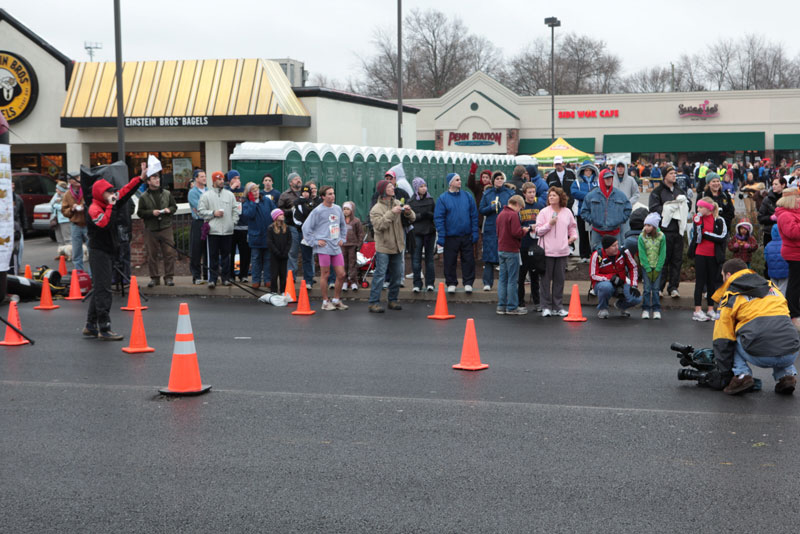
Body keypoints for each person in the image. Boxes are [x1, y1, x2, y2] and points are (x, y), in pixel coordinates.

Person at [709, 258, 799, 395]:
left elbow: (722, 338)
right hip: (791, 352)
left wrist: (725, 372)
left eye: (722, 276)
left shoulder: (731, 295)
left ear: (728, 275)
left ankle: (741, 376)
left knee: (731, 335)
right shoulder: (772, 287)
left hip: (760, 352)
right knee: (780, 330)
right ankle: (787, 375)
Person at [82, 162, 145, 340]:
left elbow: (124, 192)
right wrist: (111, 206)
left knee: (100, 288)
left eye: (111, 191)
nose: (112, 194)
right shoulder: (94, 208)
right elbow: (104, 224)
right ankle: (104, 328)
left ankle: (90, 325)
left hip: (108, 249)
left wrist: (140, 178)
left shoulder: (107, 201)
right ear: (99, 194)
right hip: (99, 251)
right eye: (108, 192)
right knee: (104, 290)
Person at [368, 180, 415, 312]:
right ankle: (373, 302)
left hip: (398, 245)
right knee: (380, 275)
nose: (393, 188)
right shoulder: (376, 209)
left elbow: (412, 218)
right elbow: (379, 226)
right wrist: (392, 213)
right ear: (383, 191)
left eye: (392, 186)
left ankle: (392, 300)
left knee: (397, 274)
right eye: (389, 187)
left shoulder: (397, 203)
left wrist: (408, 212)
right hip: (383, 247)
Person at [302, 185, 349, 311]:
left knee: (341, 274)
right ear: (323, 196)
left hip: (336, 246)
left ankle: (336, 299)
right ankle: (325, 301)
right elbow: (306, 228)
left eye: (333, 193)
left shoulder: (338, 209)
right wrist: (315, 241)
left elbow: (343, 226)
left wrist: (342, 239)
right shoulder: (317, 211)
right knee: (326, 274)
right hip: (324, 247)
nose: (332, 196)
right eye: (329, 194)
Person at [536, 187, 578, 317]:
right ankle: (546, 307)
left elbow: (572, 227)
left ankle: (558, 307)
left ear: (560, 197)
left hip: (562, 251)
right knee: (545, 281)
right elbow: (538, 231)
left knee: (559, 280)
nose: (551, 197)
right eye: (550, 196)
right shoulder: (543, 212)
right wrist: (550, 224)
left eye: (554, 195)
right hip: (547, 252)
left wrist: (572, 237)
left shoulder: (567, 212)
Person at [649, 165, 690, 298]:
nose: (674, 175)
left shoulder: (679, 190)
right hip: (664, 230)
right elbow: (654, 208)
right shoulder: (658, 191)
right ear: (665, 175)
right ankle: (659, 287)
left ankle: (673, 287)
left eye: (675, 173)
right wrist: (670, 208)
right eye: (671, 173)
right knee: (663, 260)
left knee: (676, 260)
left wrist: (683, 205)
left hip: (678, 231)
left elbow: (686, 205)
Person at [434, 173, 479, 294]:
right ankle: (451, 283)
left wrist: (475, 232)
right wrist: (442, 237)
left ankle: (468, 283)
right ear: (451, 183)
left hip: (466, 235)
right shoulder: (443, 198)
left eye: (459, 179)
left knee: (468, 260)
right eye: (457, 180)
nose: (460, 181)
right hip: (450, 236)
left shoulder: (467, 196)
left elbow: (474, 216)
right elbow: (439, 218)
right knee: (450, 261)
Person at [136, 168, 178, 287]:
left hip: (166, 227)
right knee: (152, 254)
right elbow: (140, 212)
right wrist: (151, 213)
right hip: (151, 229)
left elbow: (174, 207)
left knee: (169, 253)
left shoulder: (167, 193)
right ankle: (154, 278)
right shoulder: (144, 197)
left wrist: (169, 210)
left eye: (158, 178)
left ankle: (169, 277)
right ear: (148, 181)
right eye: (154, 178)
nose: (157, 180)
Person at [198, 171, 238, 289]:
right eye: (219, 179)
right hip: (213, 231)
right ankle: (213, 279)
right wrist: (213, 213)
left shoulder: (229, 195)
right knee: (213, 256)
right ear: (214, 181)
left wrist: (233, 222)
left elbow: (235, 210)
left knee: (227, 256)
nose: (222, 182)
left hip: (227, 230)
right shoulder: (206, 196)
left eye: (222, 179)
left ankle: (226, 278)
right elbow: (200, 211)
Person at [690, 198, 727, 322]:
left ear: (708, 208)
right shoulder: (699, 220)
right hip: (700, 253)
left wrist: (707, 234)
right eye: (698, 207)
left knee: (712, 282)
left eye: (700, 207)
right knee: (700, 282)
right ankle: (697, 310)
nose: (698, 210)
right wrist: (699, 226)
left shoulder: (719, 220)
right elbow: (698, 238)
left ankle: (711, 309)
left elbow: (722, 236)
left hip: (713, 255)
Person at [478, 171, 515, 291]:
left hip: (506, 229)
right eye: (497, 178)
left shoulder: (510, 193)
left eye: (501, 178)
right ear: (493, 181)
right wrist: (491, 208)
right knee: (489, 256)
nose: (499, 180)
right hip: (491, 228)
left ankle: (506, 283)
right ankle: (487, 283)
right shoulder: (487, 193)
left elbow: (515, 209)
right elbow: (482, 209)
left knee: (506, 256)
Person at [580, 168, 632, 252]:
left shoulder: (620, 195)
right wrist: (593, 219)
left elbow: (628, 209)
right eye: (606, 178)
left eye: (610, 178)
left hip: (615, 232)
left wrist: (619, 220)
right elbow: (584, 211)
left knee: (615, 255)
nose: (609, 180)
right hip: (597, 232)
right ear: (601, 179)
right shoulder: (591, 195)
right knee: (597, 255)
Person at [590, 235, 641, 318]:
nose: (617, 247)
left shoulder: (624, 252)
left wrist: (634, 285)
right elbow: (593, 275)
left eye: (617, 244)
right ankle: (603, 309)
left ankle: (621, 306)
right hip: (603, 284)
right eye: (614, 246)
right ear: (606, 248)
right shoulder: (597, 255)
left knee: (637, 298)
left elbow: (633, 267)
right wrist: (611, 277)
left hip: (622, 283)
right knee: (606, 287)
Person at [495, 195, 529, 315]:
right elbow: (516, 232)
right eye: (520, 208)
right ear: (517, 205)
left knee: (503, 279)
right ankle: (512, 307)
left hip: (501, 249)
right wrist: (524, 231)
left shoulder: (501, 214)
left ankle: (501, 305)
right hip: (512, 250)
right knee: (512, 280)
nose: (520, 211)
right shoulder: (513, 215)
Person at [241, 182, 277, 289]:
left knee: (267, 259)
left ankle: (268, 280)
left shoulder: (266, 200)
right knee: (256, 259)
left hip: (268, 235)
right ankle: (256, 280)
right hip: (255, 236)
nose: (256, 192)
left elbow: (274, 211)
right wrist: (253, 202)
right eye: (253, 191)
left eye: (256, 190)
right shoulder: (246, 204)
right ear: (248, 193)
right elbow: (249, 215)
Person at [517, 182, 546, 312]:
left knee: (535, 276)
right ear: (524, 194)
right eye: (529, 192)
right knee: (521, 276)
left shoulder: (540, 206)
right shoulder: (521, 207)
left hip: (536, 247)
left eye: (533, 192)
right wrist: (527, 228)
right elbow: (516, 226)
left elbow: (545, 223)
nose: (531, 195)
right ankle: (520, 302)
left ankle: (537, 302)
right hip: (523, 245)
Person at [775, 188, 800, 329]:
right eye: (797, 198)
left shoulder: (794, 213)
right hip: (794, 253)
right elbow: (793, 232)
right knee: (794, 285)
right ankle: (793, 315)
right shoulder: (785, 215)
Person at [408, 178, 436, 292]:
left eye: (425, 185)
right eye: (421, 186)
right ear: (416, 188)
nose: (424, 188)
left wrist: (430, 215)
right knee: (416, 259)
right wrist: (421, 215)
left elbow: (436, 215)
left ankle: (430, 283)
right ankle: (417, 284)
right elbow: (409, 218)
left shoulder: (431, 200)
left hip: (429, 232)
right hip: (417, 233)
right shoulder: (411, 202)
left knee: (429, 259)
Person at [638, 212, 666, 320]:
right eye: (645, 225)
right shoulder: (642, 237)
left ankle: (656, 309)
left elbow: (662, 253)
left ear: (654, 226)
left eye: (649, 225)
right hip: (647, 267)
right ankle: (645, 309)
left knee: (655, 289)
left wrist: (658, 268)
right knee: (646, 289)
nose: (646, 227)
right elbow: (642, 253)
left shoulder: (661, 236)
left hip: (657, 267)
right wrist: (648, 268)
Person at [61, 173, 89, 274]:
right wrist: (72, 209)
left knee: (91, 249)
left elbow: (92, 205)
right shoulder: (67, 194)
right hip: (75, 225)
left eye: (79, 177)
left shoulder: (86, 191)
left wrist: (84, 207)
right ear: (70, 181)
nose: (79, 179)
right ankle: (79, 272)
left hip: (87, 224)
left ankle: (91, 274)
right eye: (76, 178)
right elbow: (64, 211)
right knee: (77, 251)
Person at [570, 161, 598, 262]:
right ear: (583, 171)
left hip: (594, 212)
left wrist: (585, 195)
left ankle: (593, 255)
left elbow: (599, 193)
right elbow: (574, 192)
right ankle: (584, 255)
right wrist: (588, 195)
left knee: (594, 234)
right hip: (581, 212)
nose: (588, 172)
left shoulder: (597, 182)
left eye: (590, 170)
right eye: (586, 170)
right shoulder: (577, 182)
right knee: (582, 234)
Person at [292, 183, 319, 289]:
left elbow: (315, 216)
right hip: (301, 232)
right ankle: (307, 280)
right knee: (306, 257)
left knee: (312, 256)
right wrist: (305, 228)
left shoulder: (312, 203)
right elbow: (296, 219)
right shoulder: (297, 203)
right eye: (304, 191)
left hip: (312, 232)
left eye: (307, 192)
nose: (306, 194)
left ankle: (310, 279)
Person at [226, 171, 250, 283]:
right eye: (234, 178)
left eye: (238, 178)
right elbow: (223, 201)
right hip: (231, 227)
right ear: (230, 180)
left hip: (244, 226)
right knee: (230, 252)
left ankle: (243, 275)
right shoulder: (226, 190)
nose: (237, 180)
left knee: (245, 252)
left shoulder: (244, 190)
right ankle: (230, 275)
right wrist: (232, 188)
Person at [278, 172, 304, 275]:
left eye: (299, 178)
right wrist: (291, 211)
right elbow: (279, 211)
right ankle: (291, 276)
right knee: (292, 251)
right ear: (290, 182)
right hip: (292, 226)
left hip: (305, 227)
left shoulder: (305, 193)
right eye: (296, 179)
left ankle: (308, 278)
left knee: (308, 253)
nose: (299, 180)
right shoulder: (285, 195)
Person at [187, 169, 208, 284]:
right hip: (198, 222)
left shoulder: (209, 190)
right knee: (196, 249)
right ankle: (196, 275)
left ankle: (207, 274)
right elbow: (198, 207)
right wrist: (206, 209)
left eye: (205, 176)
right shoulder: (193, 192)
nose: (204, 178)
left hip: (208, 222)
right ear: (196, 178)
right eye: (201, 176)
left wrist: (205, 209)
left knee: (208, 249)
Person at [612, 161, 641, 237]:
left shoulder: (631, 180)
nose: (620, 169)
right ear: (616, 168)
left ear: (625, 168)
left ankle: (625, 247)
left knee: (626, 232)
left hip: (626, 211)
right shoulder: (611, 179)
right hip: (614, 210)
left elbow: (636, 194)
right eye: (619, 167)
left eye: (622, 167)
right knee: (614, 233)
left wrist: (628, 203)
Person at [340, 201, 365, 291]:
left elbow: (360, 233)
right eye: (344, 209)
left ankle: (354, 281)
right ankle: (345, 281)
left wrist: (359, 244)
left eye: (348, 209)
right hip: (343, 245)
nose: (345, 211)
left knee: (352, 264)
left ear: (352, 210)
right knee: (344, 264)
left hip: (352, 245)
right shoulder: (340, 220)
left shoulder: (356, 221)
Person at [267, 208, 291, 295]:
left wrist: (285, 252)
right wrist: (277, 252)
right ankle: (273, 291)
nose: (282, 216)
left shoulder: (286, 228)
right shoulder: (271, 228)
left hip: (284, 255)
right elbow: (270, 242)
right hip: (275, 256)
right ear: (276, 217)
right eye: (280, 215)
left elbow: (289, 241)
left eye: (282, 214)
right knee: (274, 274)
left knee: (283, 274)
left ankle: (283, 291)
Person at [758, 176, 786, 249]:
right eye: (773, 184)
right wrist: (771, 218)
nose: (773, 186)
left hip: (786, 233)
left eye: (776, 184)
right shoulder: (767, 199)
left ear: (783, 185)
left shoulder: (789, 199)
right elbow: (760, 218)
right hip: (770, 233)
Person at [764, 225, 789, 295]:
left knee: (773, 289)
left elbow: (766, 257)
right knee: (783, 289)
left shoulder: (768, 245)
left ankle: (774, 302)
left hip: (772, 273)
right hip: (785, 272)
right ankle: (782, 303)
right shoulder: (786, 244)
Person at [49, 181, 71, 248]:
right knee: (59, 239)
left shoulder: (68, 195)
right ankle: (62, 254)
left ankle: (69, 253)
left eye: (57, 188)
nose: (56, 190)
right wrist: (54, 205)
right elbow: (51, 205)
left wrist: (56, 205)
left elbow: (65, 207)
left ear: (61, 189)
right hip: (56, 220)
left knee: (67, 239)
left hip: (65, 220)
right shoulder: (56, 195)